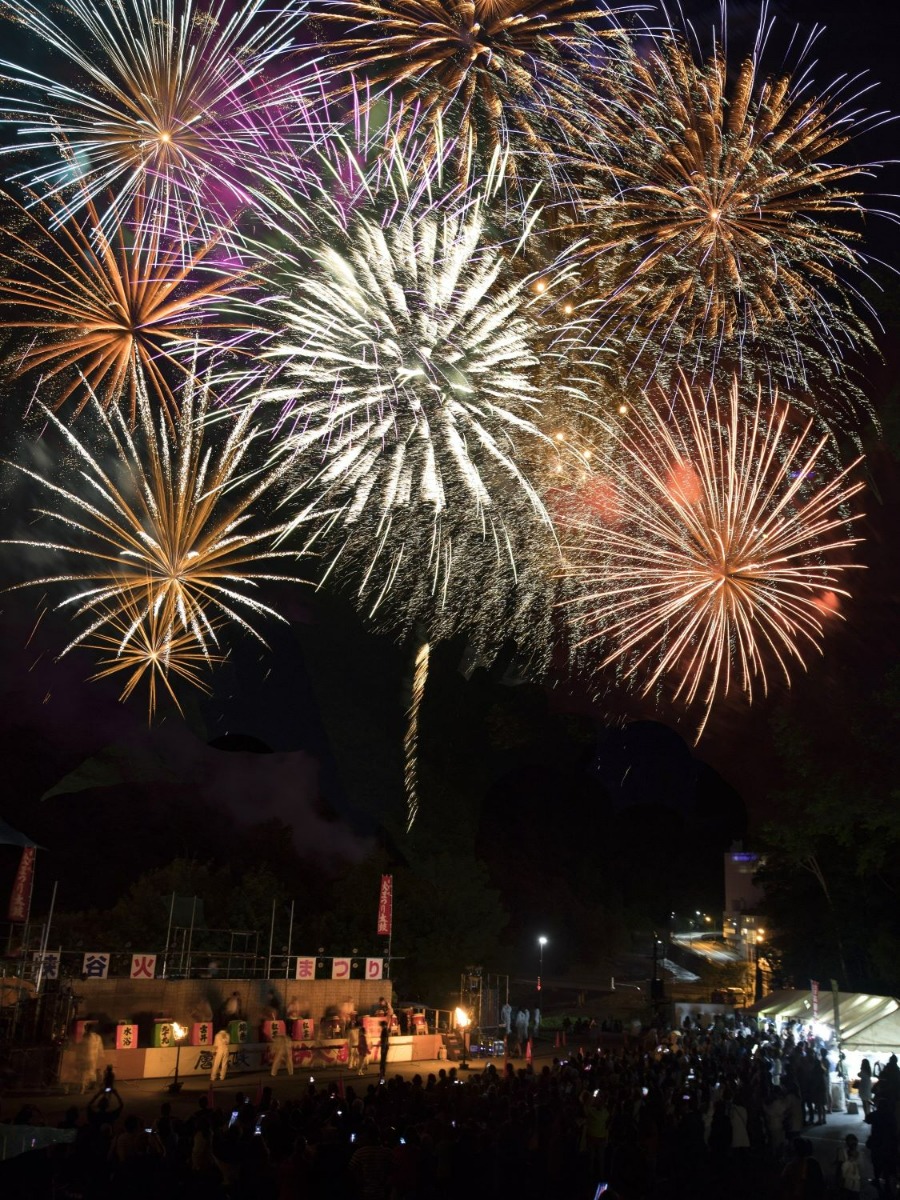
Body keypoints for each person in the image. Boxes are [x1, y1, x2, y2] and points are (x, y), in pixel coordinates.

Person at [834, 1133, 862, 1198]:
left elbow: (839, 1170)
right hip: (854, 1186)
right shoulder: (860, 1155)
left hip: (846, 1184)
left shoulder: (842, 1153)